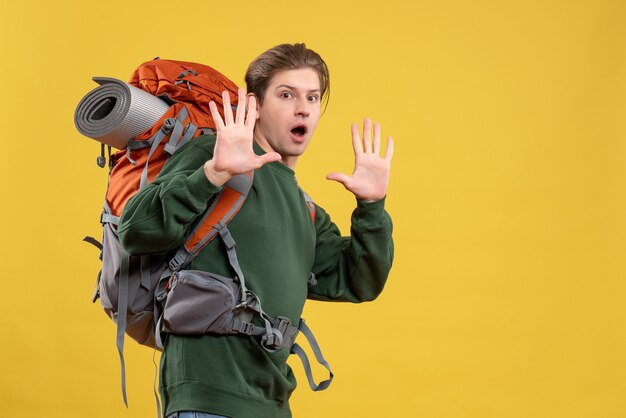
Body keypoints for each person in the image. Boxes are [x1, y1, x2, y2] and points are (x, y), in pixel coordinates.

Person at [118, 43, 395, 418]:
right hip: (206, 400)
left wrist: (372, 207)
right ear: (256, 105)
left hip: (272, 404)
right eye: (287, 95)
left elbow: (360, 280)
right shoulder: (213, 155)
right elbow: (136, 230)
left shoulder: (305, 208)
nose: (303, 108)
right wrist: (213, 174)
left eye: (312, 98)